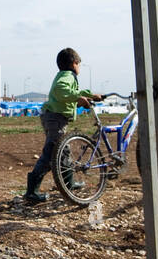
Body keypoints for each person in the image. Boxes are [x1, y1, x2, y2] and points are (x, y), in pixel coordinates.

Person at [24, 47, 102, 203]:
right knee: (52, 153)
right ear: (74, 63)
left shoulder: (65, 75)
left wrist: (89, 95)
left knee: (63, 151)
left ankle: (68, 183)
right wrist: (79, 98)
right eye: (79, 65)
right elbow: (62, 91)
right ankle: (31, 191)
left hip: (55, 118)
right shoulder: (68, 76)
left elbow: (74, 92)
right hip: (55, 118)